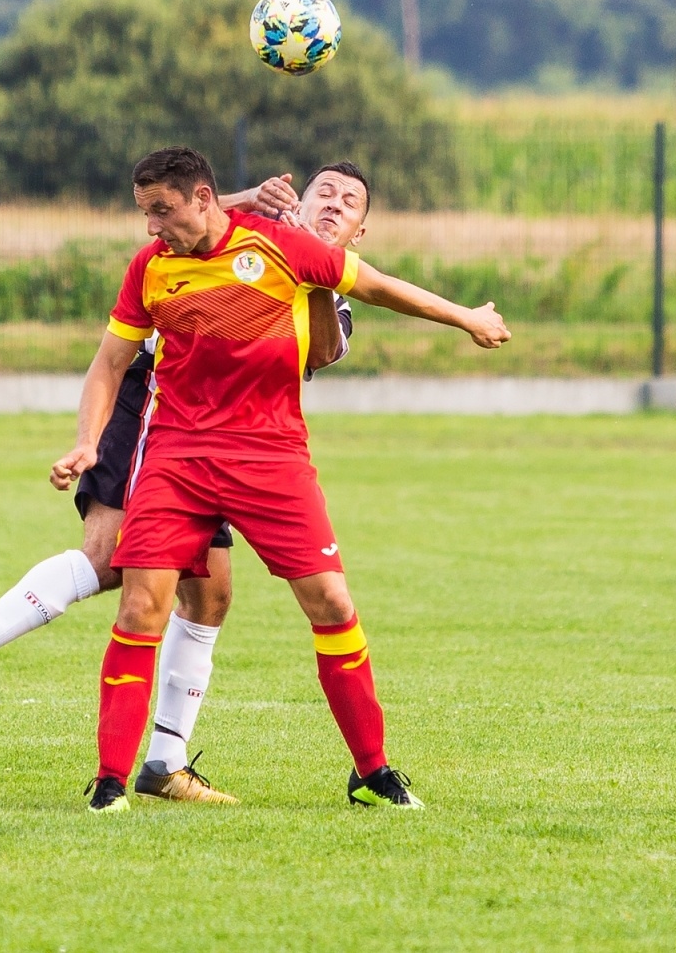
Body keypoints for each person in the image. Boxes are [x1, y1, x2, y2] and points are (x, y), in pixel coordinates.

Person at [55, 147, 511, 812]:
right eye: (145, 213)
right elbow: (107, 366)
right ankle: (111, 784)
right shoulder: (150, 270)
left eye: (162, 211)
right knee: (139, 607)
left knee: (331, 603)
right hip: (177, 461)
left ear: (203, 199)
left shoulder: (282, 250)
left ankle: (373, 772)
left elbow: (379, 285)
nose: (152, 227)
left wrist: (466, 317)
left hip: (271, 459)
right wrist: (87, 444)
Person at [0, 175, 343, 806]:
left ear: (361, 232)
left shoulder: (319, 279)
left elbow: (321, 354)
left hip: (224, 437)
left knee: (210, 595)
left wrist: (317, 276)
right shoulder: (236, 238)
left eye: (349, 205)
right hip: (155, 410)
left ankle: (165, 764)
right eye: (322, 194)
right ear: (295, 202)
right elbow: (176, 226)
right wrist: (244, 202)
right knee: (111, 557)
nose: (332, 208)